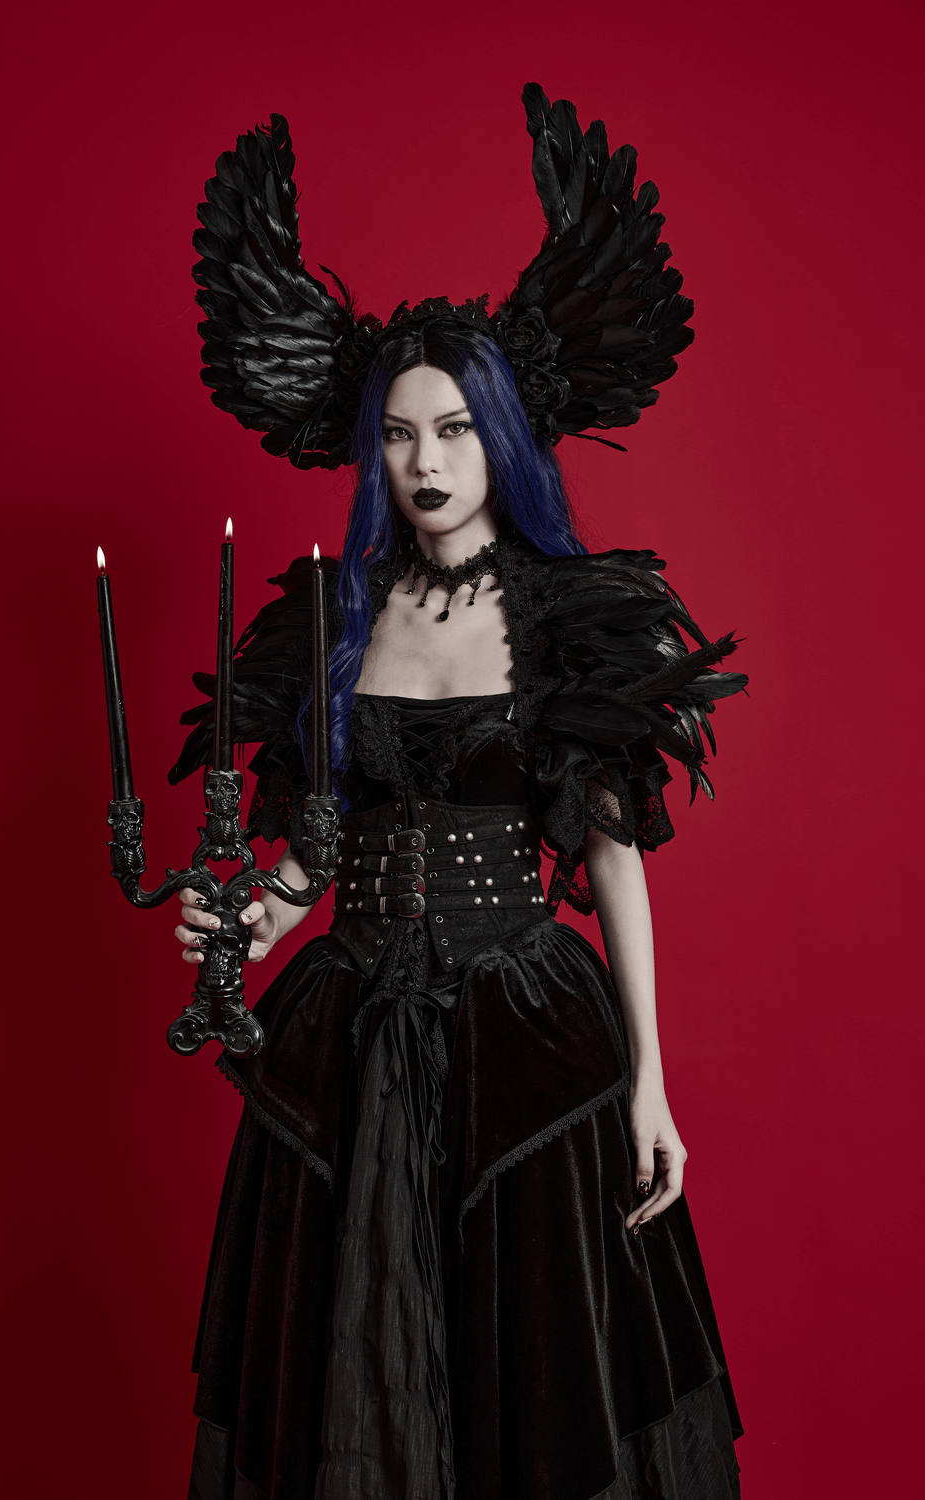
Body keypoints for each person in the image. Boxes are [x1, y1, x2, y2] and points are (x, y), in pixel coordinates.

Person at [168, 86, 747, 1500]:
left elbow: (612, 860)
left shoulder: (565, 618)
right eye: (397, 435)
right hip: (351, 1037)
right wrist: (240, 925)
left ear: (503, 439)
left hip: (526, 1041)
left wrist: (652, 1082)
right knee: (352, 1388)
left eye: (454, 431)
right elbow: (310, 859)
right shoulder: (332, 620)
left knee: (529, 1386)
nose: (424, 463)